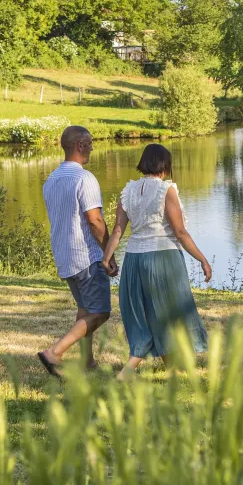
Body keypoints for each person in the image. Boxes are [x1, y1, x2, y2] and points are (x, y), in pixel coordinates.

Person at [101, 143, 210, 379]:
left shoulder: (128, 191)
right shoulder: (165, 190)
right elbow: (180, 232)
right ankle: (128, 370)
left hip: (134, 259)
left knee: (147, 312)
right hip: (163, 258)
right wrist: (202, 259)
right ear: (166, 165)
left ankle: (173, 366)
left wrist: (107, 257)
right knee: (170, 311)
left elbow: (118, 230)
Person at [38, 125, 110, 379]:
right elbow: (95, 221)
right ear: (79, 145)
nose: (92, 147)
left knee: (84, 308)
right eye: (90, 143)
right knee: (100, 312)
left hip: (64, 256)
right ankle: (54, 352)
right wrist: (108, 252)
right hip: (86, 257)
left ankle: (87, 361)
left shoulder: (52, 179)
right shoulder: (84, 178)